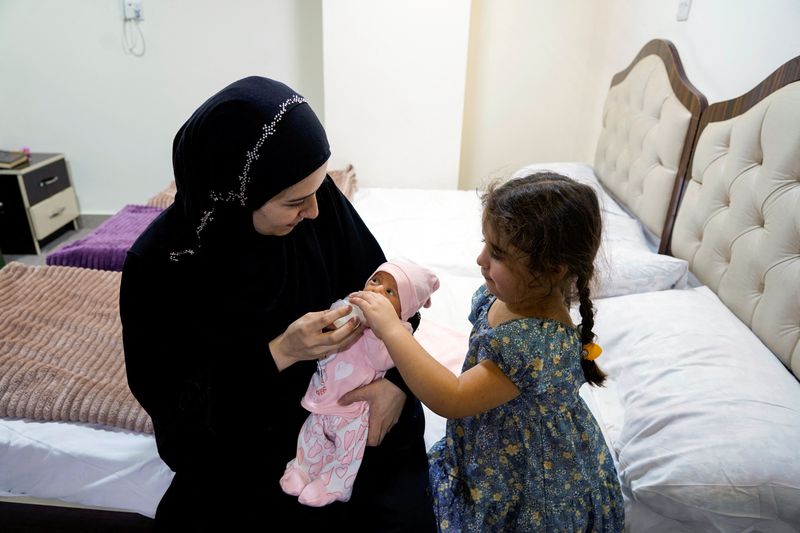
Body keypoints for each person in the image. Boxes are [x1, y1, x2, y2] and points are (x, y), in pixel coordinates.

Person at [119, 76, 435, 532]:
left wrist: (397, 388)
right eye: (294, 202)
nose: (315, 212)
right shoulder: (162, 267)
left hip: (354, 413)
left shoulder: (318, 202)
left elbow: (394, 298)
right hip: (244, 442)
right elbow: (178, 409)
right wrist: (282, 352)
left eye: (317, 190)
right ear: (235, 196)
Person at [350, 173, 625, 532]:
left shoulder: (536, 343)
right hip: (490, 440)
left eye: (497, 254)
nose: (480, 259)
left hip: (529, 478)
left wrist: (390, 329)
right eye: (486, 244)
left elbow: (452, 397)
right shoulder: (510, 296)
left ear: (551, 270)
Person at [281, 260, 440, 507]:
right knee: (312, 433)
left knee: (347, 449)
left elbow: (382, 360)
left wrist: (382, 328)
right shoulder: (350, 305)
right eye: (375, 281)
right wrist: (340, 316)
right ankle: (303, 468)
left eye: (390, 292)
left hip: (355, 410)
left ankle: (335, 484)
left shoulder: (398, 333)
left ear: (405, 309)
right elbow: (329, 321)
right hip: (327, 391)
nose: (376, 290)